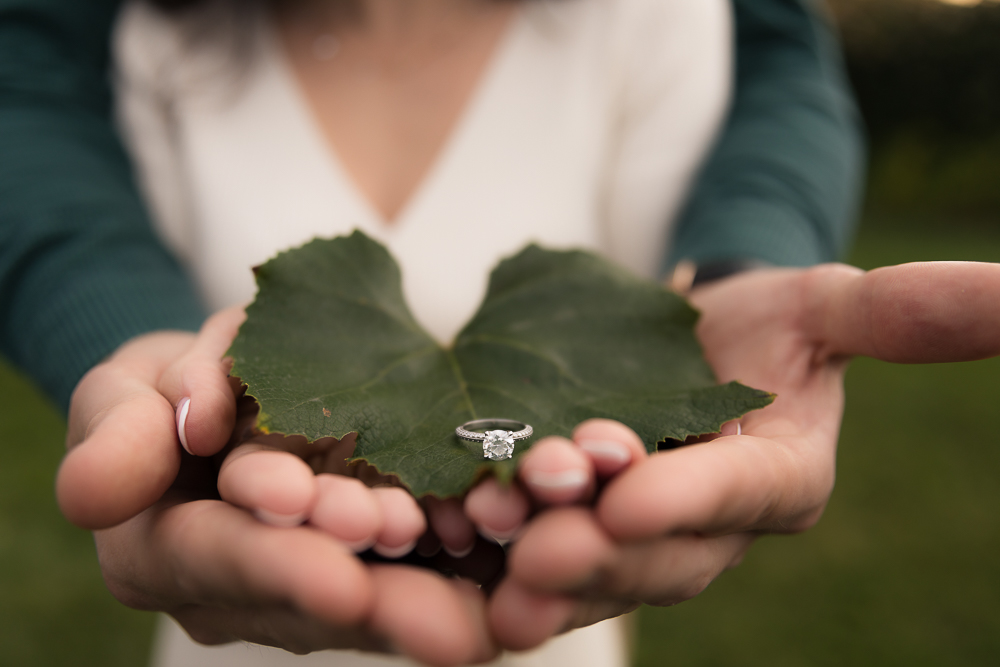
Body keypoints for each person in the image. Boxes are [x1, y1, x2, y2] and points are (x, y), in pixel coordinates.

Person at [3, 0, 944, 665]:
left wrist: (741, 269)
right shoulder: (160, 34)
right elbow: (42, 147)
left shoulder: (652, 20)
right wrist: (138, 344)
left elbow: (767, 108)